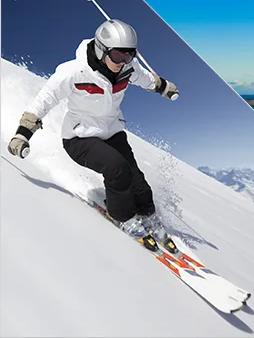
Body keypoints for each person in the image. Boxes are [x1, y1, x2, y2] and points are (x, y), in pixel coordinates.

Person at [8, 19, 180, 251]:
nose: (122, 62)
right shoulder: (73, 72)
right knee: (116, 168)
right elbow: (43, 101)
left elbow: (148, 79)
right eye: (117, 55)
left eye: (129, 56)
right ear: (101, 49)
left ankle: (148, 216)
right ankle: (124, 217)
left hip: (112, 132)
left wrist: (165, 87)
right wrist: (23, 133)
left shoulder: (129, 69)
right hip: (79, 137)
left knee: (137, 181)